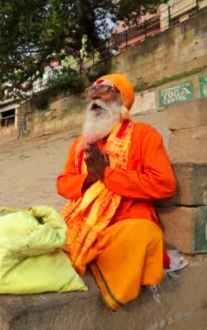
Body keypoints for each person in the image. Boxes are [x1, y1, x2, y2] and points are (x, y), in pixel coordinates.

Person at [56, 74, 177, 310]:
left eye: (105, 90)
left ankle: (95, 264)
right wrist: (90, 178)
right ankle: (88, 255)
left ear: (121, 99)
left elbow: (164, 183)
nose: (95, 96)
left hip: (126, 222)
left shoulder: (143, 134)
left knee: (144, 235)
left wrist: (108, 175)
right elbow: (63, 184)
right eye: (92, 92)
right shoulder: (80, 145)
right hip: (82, 222)